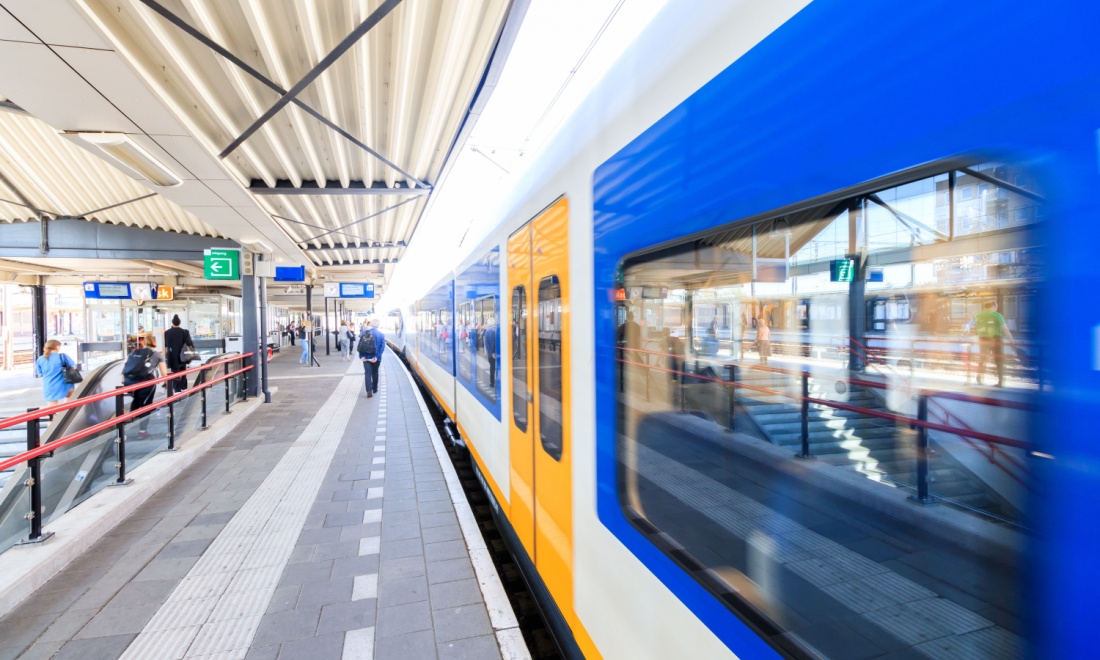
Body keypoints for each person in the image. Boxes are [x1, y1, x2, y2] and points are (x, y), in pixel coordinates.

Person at [123, 331, 167, 438]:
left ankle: (127, 428)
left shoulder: (133, 353)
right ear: (154, 343)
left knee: (136, 401)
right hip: (146, 383)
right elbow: (164, 373)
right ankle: (142, 431)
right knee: (145, 406)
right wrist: (166, 383)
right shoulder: (157, 355)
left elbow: (125, 368)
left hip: (130, 382)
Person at [974, 300, 1014, 387]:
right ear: (993, 306)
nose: (996, 309)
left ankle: (979, 379)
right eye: (996, 307)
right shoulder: (996, 315)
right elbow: (1005, 329)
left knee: (982, 359)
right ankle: (1000, 382)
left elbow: (977, 329)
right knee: (999, 360)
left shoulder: (978, 316)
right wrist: (1011, 340)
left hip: (983, 339)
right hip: (995, 339)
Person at [36, 339, 76, 407]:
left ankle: (54, 417)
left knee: (51, 408)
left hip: (49, 385)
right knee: (69, 401)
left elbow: (40, 373)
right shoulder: (63, 356)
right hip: (64, 384)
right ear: (57, 347)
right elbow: (74, 367)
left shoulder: (40, 359)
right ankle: (65, 414)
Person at [163, 314, 194, 391]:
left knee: (175, 373)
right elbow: (189, 343)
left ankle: (177, 390)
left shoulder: (167, 333)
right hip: (183, 356)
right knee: (183, 372)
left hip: (172, 356)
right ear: (179, 323)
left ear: (172, 323)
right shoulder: (185, 332)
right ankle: (183, 388)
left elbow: (165, 345)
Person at [357, 318, 385, 397]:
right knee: (375, 372)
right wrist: (376, 357)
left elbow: (360, 346)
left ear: (371, 324)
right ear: (378, 325)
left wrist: (361, 356)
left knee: (367, 373)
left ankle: (369, 391)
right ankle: (375, 388)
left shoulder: (364, 333)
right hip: (376, 358)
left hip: (366, 358)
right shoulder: (381, 335)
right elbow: (382, 348)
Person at [483, 322, 498, 388]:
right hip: (498, 354)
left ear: (489, 325)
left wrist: (492, 353)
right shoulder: (498, 331)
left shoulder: (487, 332)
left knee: (492, 368)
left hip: (490, 354)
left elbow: (486, 344)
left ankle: (492, 383)